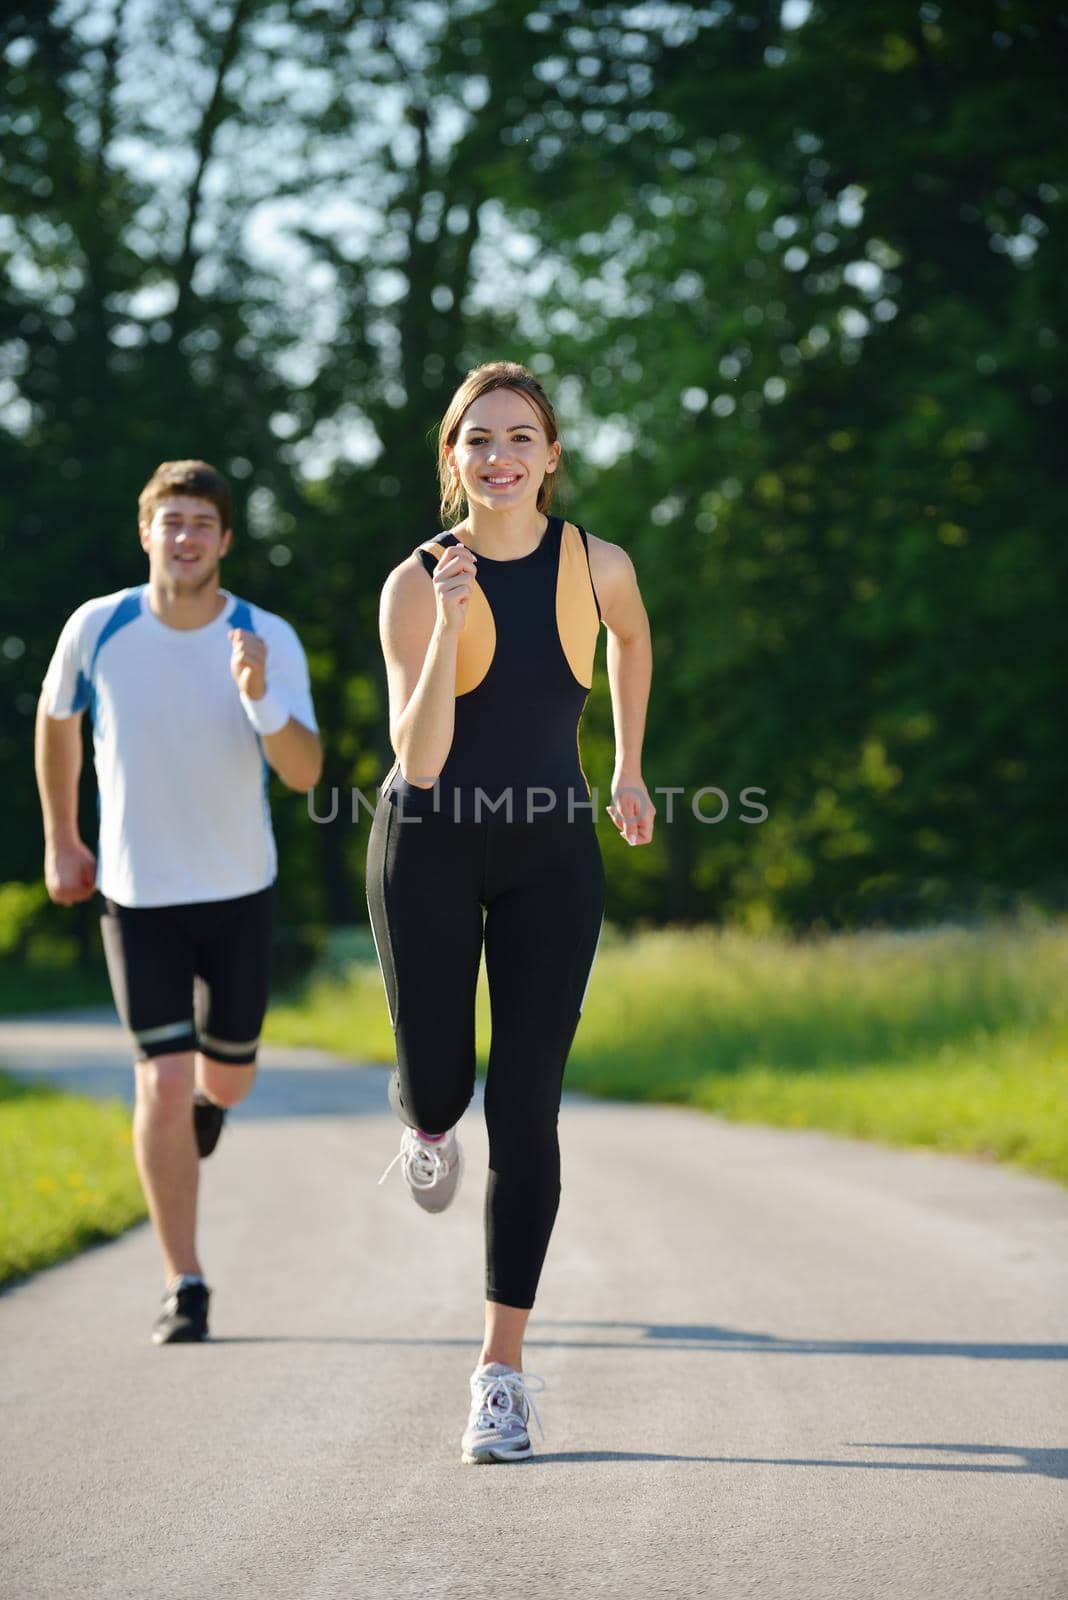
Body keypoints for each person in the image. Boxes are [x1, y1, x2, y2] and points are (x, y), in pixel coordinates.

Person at [367, 361, 654, 1463]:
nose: (499, 457)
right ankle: (424, 1117)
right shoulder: (415, 581)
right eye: (477, 440)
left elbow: (629, 638)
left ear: (551, 454)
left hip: (551, 854)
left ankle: (501, 1370)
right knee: (445, 1086)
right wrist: (450, 621)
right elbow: (423, 759)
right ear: (453, 458)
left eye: (519, 437)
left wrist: (629, 763)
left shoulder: (600, 565)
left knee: (525, 1108)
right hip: (426, 846)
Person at [35, 459, 321, 1344]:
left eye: (203, 522)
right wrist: (63, 837)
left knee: (223, 1080)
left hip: (239, 891)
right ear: (145, 531)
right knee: (158, 1079)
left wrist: (259, 695)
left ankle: (208, 1103)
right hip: (138, 893)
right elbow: (56, 722)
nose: (186, 536)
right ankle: (184, 1281)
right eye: (172, 521)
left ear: (225, 540)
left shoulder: (263, 635)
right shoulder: (100, 626)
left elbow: (307, 773)